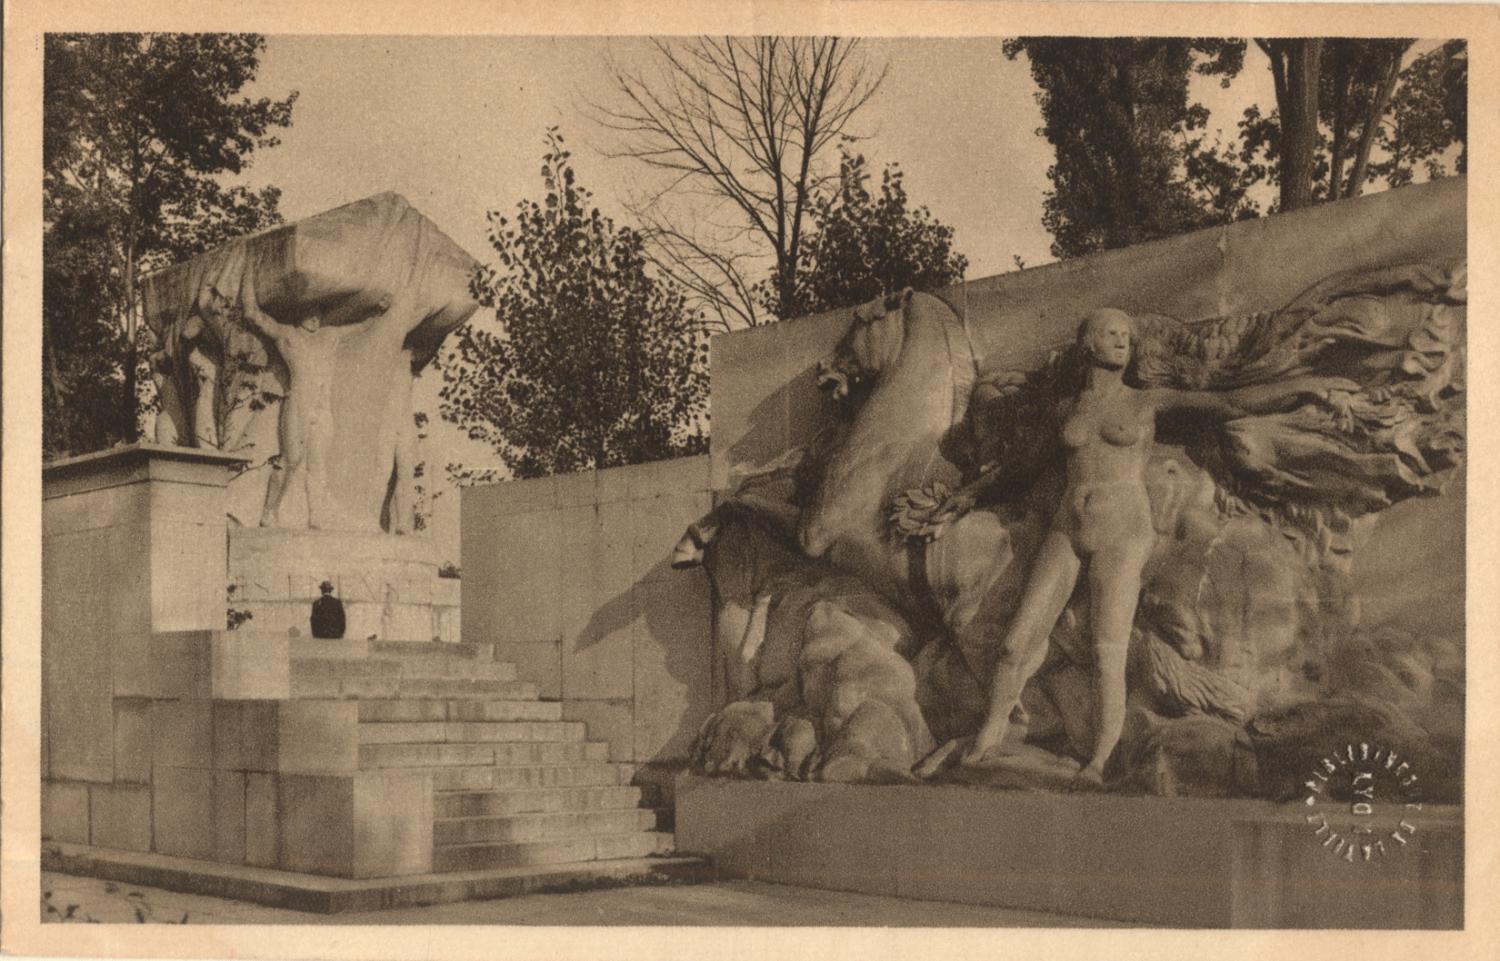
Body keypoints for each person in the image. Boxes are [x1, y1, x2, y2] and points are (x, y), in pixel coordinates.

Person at [916, 308, 1355, 789]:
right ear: (1088, 344)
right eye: (1110, 333)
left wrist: (1307, 389)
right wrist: (965, 496)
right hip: (1067, 528)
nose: (1121, 341)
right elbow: (1021, 466)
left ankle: (1099, 761)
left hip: (1124, 533)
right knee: (1014, 644)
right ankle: (987, 737)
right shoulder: (1067, 409)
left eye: (1126, 335)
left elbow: (1226, 405)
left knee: (1108, 650)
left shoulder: (1147, 402)